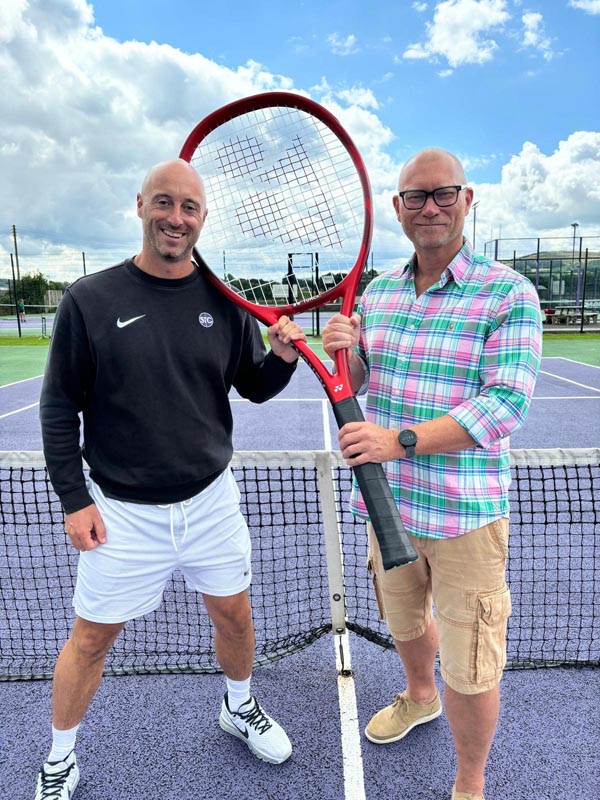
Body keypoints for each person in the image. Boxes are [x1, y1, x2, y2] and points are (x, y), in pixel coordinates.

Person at [36, 159, 306, 799]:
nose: (175, 218)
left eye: (189, 208)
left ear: (203, 217)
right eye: (164, 203)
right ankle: (59, 758)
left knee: (235, 618)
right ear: (139, 206)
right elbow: (57, 407)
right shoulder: (90, 300)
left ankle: (237, 706)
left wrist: (285, 357)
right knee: (91, 640)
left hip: (212, 503)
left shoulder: (223, 298)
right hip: (123, 511)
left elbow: (256, 387)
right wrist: (75, 500)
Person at [322, 148, 542, 800]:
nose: (430, 207)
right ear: (396, 209)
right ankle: (421, 696)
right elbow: (359, 380)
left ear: (467, 199)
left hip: (463, 515)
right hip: (387, 510)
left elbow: (505, 405)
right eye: (415, 197)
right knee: (405, 622)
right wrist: (341, 353)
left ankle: (469, 782)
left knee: (472, 666)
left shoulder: (508, 292)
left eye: (443, 194)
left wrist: (401, 442)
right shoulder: (380, 291)